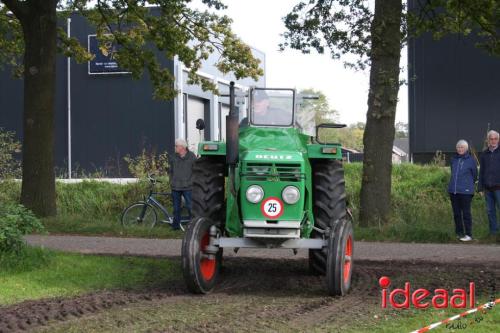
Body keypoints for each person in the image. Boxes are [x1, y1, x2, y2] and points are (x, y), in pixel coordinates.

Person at [448, 140, 478, 241]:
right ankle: (459, 233)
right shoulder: (453, 159)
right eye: (458, 147)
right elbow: (453, 172)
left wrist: (467, 184)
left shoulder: (471, 160)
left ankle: (468, 234)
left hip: (466, 191)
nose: (460, 149)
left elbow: (475, 175)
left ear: (466, 149)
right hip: (453, 191)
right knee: (456, 213)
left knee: (466, 213)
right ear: (456, 149)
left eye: (462, 147)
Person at [169, 138, 196, 230]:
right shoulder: (173, 157)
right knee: (176, 209)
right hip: (175, 187)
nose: (175, 147)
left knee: (190, 207)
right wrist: (171, 181)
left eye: (176, 146)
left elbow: (196, 171)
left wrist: (191, 181)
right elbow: (170, 171)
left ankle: (192, 226)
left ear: (182, 147)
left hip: (188, 187)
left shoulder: (192, 157)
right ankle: (175, 227)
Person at [478, 130, 500, 238]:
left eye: (496, 139)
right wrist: (480, 188)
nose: (493, 141)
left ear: (498, 140)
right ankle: (494, 233)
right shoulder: (484, 154)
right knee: (490, 212)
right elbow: (481, 171)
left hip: (499, 188)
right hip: (487, 189)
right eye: (491, 139)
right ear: (488, 140)